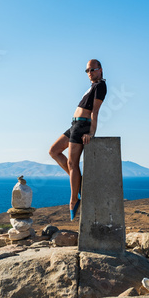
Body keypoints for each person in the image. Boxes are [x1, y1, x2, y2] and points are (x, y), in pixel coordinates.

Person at [49, 59, 107, 220]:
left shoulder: (100, 86)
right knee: (54, 151)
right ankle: (81, 185)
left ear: (100, 70)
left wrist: (92, 133)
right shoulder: (92, 87)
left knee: (72, 163)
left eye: (93, 70)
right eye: (87, 71)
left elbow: (95, 111)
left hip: (82, 126)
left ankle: (74, 200)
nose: (90, 73)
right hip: (74, 125)